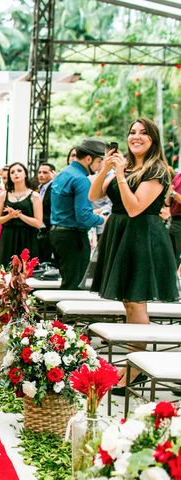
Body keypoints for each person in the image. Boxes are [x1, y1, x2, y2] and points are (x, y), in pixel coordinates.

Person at [90, 118, 179, 392]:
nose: (135, 136)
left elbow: (134, 207)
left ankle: (136, 367)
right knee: (128, 302)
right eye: (132, 132)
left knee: (137, 301)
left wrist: (118, 175)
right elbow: (94, 196)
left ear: (153, 139)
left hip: (142, 237)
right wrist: (106, 167)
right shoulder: (124, 165)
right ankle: (132, 363)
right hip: (121, 234)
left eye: (143, 133)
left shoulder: (157, 170)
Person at [50, 139, 106, 290]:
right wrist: (103, 219)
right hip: (73, 237)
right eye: (100, 160)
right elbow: (83, 216)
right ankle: (63, 315)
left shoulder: (63, 173)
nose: (101, 166)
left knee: (67, 282)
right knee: (74, 287)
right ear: (88, 159)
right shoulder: (81, 179)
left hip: (57, 235)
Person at [0, 162, 42, 267]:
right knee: (6, 270)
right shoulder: (4, 195)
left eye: (19, 171)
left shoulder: (35, 196)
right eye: (12, 172)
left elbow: (38, 223)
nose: (16, 173)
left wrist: (20, 215)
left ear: (25, 174)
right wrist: (10, 216)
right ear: (9, 177)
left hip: (28, 237)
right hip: (8, 237)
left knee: (27, 272)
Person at [37, 162, 56, 263]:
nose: (41, 175)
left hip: (49, 229)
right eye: (39, 172)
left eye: (45, 172)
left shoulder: (53, 188)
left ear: (52, 174)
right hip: (40, 230)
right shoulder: (40, 188)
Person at [168, 169, 181, 267]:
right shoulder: (177, 177)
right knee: (171, 254)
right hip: (173, 220)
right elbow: (168, 202)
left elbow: (172, 193)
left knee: (175, 256)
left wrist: (172, 193)